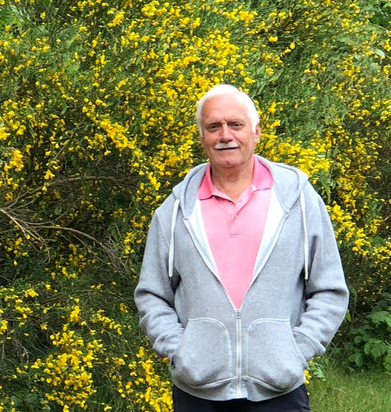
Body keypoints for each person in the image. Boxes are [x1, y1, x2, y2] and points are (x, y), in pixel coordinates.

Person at [135, 84, 348, 412]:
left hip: (279, 390)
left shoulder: (299, 201)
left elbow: (330, 289)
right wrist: (181, 350)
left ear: (256, 131)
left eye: (235, 124)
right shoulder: (175, 211)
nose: (225, 135)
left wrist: (295, 350)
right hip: (197, 391)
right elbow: (152, 294)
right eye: (213, 126)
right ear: (202, 136)